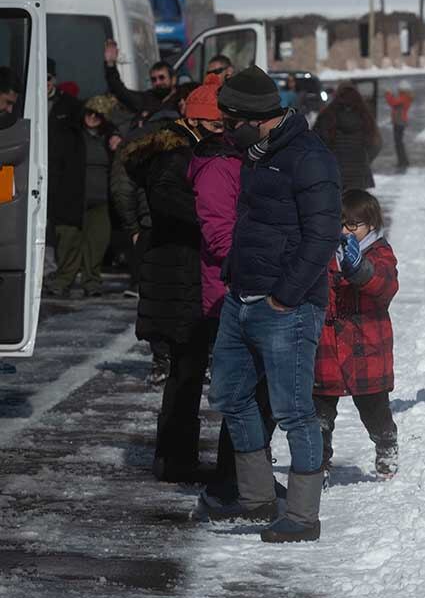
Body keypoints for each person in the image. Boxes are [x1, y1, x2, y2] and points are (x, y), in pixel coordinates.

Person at [207, 66, 341, 543]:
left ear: (253, 117)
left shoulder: (308, 158)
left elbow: (323, 234)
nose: (224, 129)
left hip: (286, 306)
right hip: (240, 297)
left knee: (294, 412)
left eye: (228, 121)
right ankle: (258, 499)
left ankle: (303, 517)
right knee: (230, 397)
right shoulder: (257, 153)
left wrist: (287, 296)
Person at [185, 73, 280, 510]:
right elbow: (222, 235)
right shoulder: (217, 168)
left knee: (259, 392)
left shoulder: (235, 161)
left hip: (242, 283)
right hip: (229, 289)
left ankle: (245, 477)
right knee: (246, 394)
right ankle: (232, 480)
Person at [120, 84, 218, 481]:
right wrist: (214, 218)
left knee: (186, 369)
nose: (221, 129)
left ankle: (175, 456)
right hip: (178, 275)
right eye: (215, 123)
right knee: (186, 369)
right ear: (193, 118)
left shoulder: (177, 150)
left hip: (176, 272)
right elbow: (169, 202)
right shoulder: (175, 156)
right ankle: (176, 460)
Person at [313, 190, 399, 485]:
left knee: (375, 410)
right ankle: (317, 467)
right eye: (341, 223)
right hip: (327, 347)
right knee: (319, 415)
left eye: (354, 225)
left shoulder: (379, 253)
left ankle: (386, 451)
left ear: (371, 225)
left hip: (366, 349)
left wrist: (360, 269)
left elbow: (385, 285)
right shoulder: (324, 252)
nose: (346, 231)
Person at [45, 95, 117, 298]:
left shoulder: (107, 138)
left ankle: (92, 282)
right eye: (90, 112)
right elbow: (57, 165)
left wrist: (115, 135)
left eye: (98, 114)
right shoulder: (70, 133)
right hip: (72, 197)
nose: (93, 117)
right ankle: (63, 281)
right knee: (69, 241)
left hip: (101, 202)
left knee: (97, 243)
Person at [315, 84, 381, 190]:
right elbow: (376, 144)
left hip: (332, 173)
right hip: (359, 174)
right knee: (355, 205)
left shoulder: (327, 116)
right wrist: (365, 159)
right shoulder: (366, 117)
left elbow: (314, 143)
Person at [104, 40, 176, 116]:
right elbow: (121, 92)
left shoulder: (183, 96)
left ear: (173, 79)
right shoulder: (147, 99)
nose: (157, 82)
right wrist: (110, 64)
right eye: (153, 79)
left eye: (162, 78)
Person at [384, 79, 413, 171]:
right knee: (398, 142)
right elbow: (394, 103)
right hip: (399, 121)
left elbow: (393, 102)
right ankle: (403, 161)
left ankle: (403, 161)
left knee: (398, 143)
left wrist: (388, 94)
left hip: (399, 122)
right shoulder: (404, 96)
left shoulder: (404, 97)